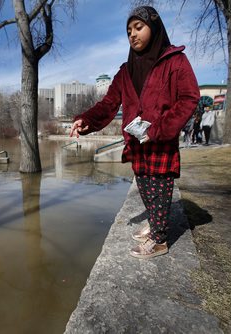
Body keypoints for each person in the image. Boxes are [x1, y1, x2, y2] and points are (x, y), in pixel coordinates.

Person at [69, 6, 199, 259]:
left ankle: (160, 240)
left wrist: (160, 128)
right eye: (129, 30)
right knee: (145, 187)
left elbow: (189, 98)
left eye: (138, 27)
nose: (132, 34)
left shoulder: (175, 61)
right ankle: (155, 221)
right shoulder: (125, 71)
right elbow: (108, 105)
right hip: (137, 141)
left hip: (160, 140)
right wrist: (86, 120)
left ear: (155, 27)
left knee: (160, 187)